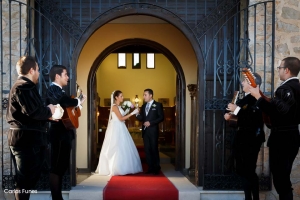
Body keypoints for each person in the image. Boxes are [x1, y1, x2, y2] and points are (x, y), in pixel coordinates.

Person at [249, 57, 300, 200]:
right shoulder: (297, 87)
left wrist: (258, 97)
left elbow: (277, 112)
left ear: (287, 70)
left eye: (280, 68)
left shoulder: (285, 88)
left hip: (282, 139)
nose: (278, 71)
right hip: (293, 136)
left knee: (281, 180)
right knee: (284, 178)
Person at [6, 56, 56, 200]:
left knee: (27, 180)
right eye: (38, 70)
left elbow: (30, 112)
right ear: (31, 70)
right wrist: (49, 110)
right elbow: (34, 111)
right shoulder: (24, 86)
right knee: (25, 181)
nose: (39, 74)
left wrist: (47, 114)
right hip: (26, 141)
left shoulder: (22, 85)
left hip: (25, 139)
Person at [46, 65, 86, 200]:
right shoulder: (53, 89)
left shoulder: (60, 90)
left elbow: (69, 110)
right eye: (65, 74)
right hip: (58, 135)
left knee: (62, 167)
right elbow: (64, 102)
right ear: (57, 76)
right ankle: (57, 198)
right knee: (56, 167)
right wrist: (78, 100)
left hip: (65, 135)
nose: (68, 77)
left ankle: (58, 196)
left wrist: (77, 104)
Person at [224, 73, 265, 200]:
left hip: (251, 140)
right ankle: (248, 197)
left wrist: (236, 110)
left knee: (248, 171)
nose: (242, 83)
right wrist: (230, 118)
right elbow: (240, 120)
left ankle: (254, 198)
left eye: (245, 81)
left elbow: (253, 119)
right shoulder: (245, 99)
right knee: (243, 171)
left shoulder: (257, 98)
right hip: (242, 139)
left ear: (253, 83)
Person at [95, 90, 142, 175]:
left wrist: (129, 109)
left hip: (121, 127)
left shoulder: (118, 106)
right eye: (121, 96)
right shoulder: (114, 106)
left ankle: (124, 166)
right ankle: (115, 167)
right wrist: (132, 113)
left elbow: (122, 115)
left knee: (123, 146)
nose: (122, 98)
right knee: (115, 146)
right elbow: (121, 118)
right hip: (116, 127)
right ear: (116, 97)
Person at [136, 89, 164, 175]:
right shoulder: (143, 106)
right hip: (145, 131)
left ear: (150, 95)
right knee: (147, 150)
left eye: (145, 95)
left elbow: (161, 117)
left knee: (154, 149)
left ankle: (156, 167)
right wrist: (136, 114)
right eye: (143, 95)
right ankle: (150, 167)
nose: (143, 97)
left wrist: (151, 123)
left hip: (153, 131)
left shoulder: (158, 105)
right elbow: (142, 118)